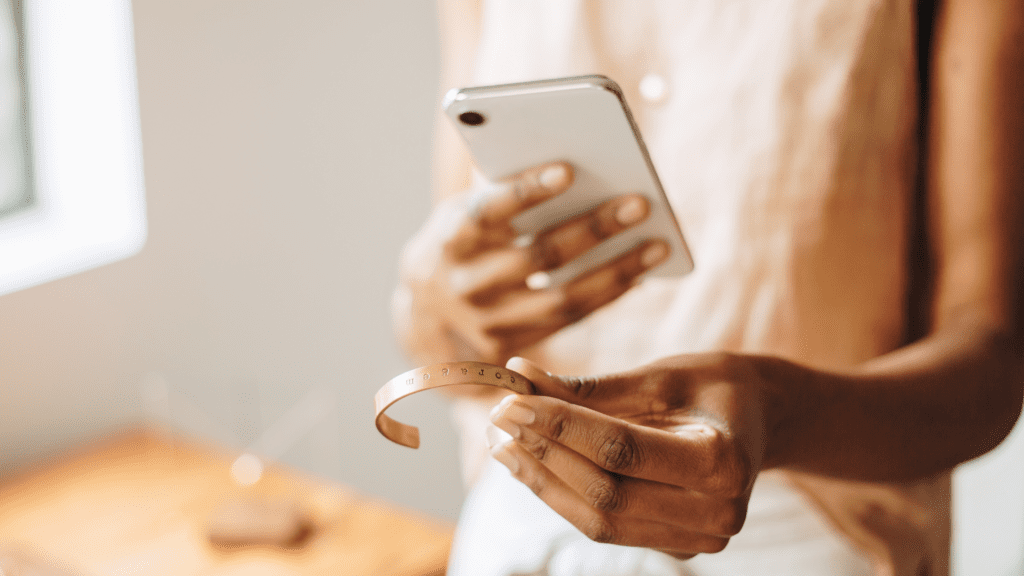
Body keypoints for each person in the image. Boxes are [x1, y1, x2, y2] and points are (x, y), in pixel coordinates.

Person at [391, 1, 1024, 575]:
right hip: (517, 535)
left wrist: (780, 413)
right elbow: (448, 326)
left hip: (810, 546)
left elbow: (991, 364)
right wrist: (432, 315)